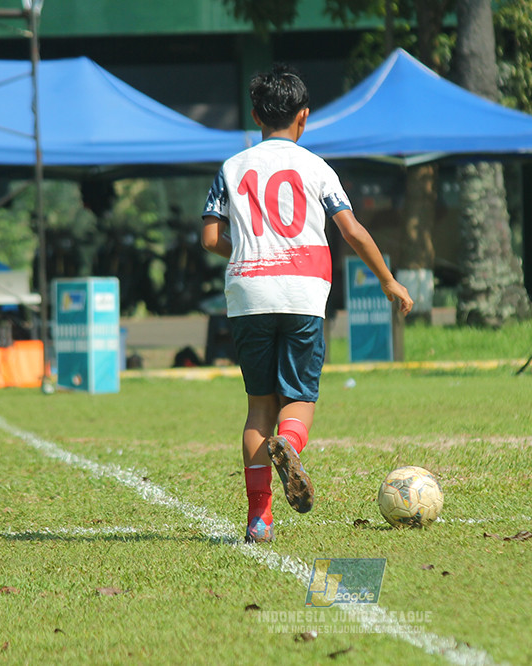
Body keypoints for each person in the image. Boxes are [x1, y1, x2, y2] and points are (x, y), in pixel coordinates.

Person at [201, 64, 414, 544]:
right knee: (299, 398)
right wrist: (388, 281)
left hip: (249, 292)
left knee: (259, 405)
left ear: (256, 116)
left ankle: (259, 520)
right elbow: (352, 231)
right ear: (304, 117)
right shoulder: (316, 167)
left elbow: (211, 236)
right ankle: (290, 444)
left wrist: (247, 250)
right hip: (302, 291)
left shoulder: (232, 167)